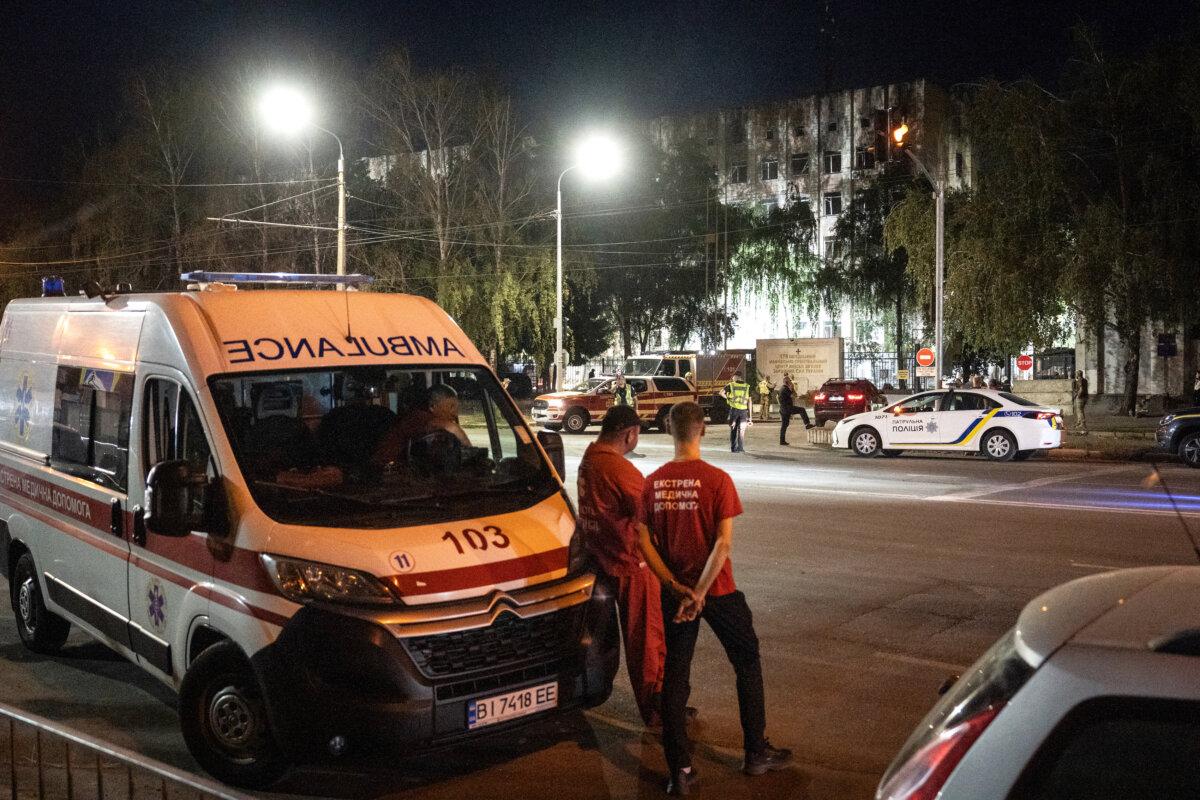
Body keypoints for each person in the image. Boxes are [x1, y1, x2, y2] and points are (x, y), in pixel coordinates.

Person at [638, 402, 792, 795]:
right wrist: (702, 593)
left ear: (669, 429)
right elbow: (722, 545)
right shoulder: (717, 480)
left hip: (677, 595)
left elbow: (643, 540)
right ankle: (755, 752)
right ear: (703, 430)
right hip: (718, 590)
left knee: (676, 676)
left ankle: (679, 770)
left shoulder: (653, 483)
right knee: (746, 662)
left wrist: (675, 587)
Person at [576, 405, 666, 728]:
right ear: (630, 434)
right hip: (630, 563)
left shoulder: (590, 459)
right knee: (647, 641)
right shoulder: (618, 468)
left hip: (601, 559)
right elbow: (650, 511)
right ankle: (658, 710)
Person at [721, 371, 751, 453]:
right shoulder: (747, 386)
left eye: (733, 377)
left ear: (736, 377)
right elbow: (750, 401)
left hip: (734, 410)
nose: (732, 378)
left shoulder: (731, 385)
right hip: (743, 411)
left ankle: (733, 448)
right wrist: (750, 416)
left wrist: (728, 398)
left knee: (733, 429)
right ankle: (740, 448)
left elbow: (721, 393)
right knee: (742, 430)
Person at [1071, 370, 1089, 434]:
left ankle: (1083, 424)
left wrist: (1078, 396)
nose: (1075, 375)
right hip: (1085, 397)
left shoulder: (1079, 380)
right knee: (1080, 410)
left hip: (1080, 398)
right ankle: (1079, 423)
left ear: (1077, 374)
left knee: (1080, 411)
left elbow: (1081, 389)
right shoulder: (1085, 380)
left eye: (1076, 374)